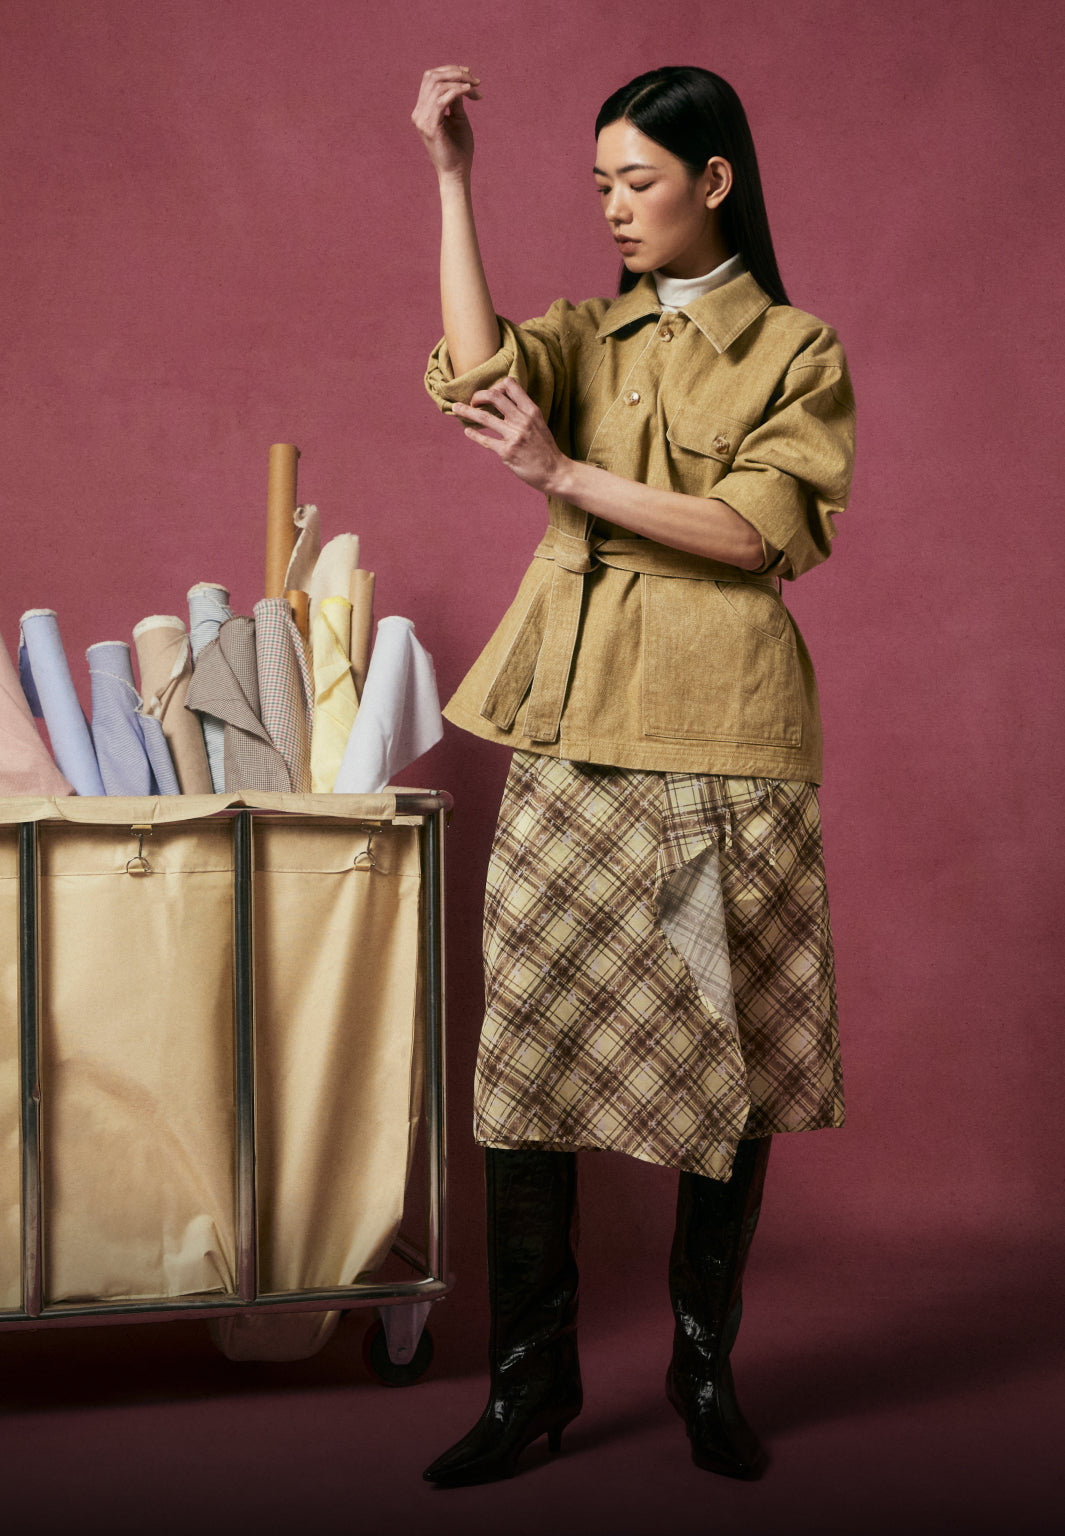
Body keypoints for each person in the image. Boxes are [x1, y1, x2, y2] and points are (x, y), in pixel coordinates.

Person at [412, 63, 855, 1487]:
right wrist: (452, 178)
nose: (611, 208)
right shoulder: (584, 337)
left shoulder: (794, 347)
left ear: (712, 179)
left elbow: (751, 534)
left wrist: (564, 476)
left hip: (723, 728)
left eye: (638, 180)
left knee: (719, 1059)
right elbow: (476, 367)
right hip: (571, 720)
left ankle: (700, 1367)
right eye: (598, 183)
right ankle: (527, 1384)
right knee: (525, 1049)